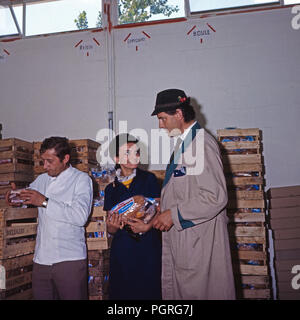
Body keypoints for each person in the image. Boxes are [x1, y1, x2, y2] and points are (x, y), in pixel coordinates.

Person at [151, 88, 236, 300]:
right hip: (188, 243)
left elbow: (215, 197)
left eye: (162, 119)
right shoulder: (185, 145)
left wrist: (173, 214)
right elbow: (189, 188)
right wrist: (166, 204)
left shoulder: (202, 144)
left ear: (178, 114)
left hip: (199, 246)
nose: (160, 126)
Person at [9, 136, 93, 300]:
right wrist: (15, 196)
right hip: (42, 259)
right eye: (43, 161)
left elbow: (80, 216)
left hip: (69, 260)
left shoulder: (81, 180)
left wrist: (45, 202)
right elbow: (27, 197)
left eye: (50, 161)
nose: (45, 166)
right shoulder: (42, 179)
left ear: (65, 159)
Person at [103, 133, 162, 300]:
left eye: (136, 152)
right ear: (116, 158)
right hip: (123, 249)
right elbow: (110, 226)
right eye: (126, 153)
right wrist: (112, 228)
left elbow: (159, 210)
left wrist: (147, 226)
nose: (133, 156)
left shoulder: (148, 179)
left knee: (150, 291)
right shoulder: (111, 189)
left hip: (148, 247)